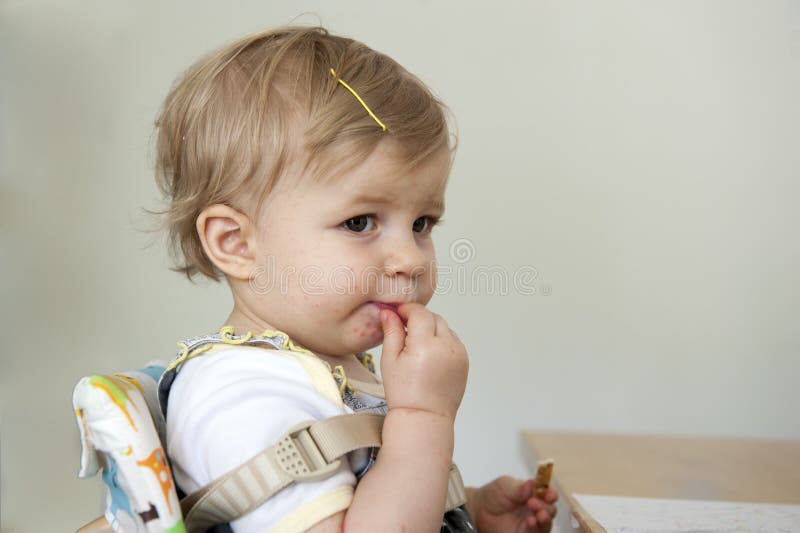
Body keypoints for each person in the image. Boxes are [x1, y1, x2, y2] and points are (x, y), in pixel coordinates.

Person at [152, 24, 558, 532]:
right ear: (237, 243)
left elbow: (366, 501)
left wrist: (473, 509)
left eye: (421, 224)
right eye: (360, 223)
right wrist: (424, 421)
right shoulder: (240, 396)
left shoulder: (327, 372)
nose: (409, 259)